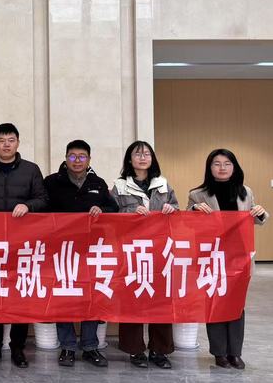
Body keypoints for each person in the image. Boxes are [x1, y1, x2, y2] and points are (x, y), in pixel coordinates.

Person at [0, 123, 48, 368]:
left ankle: (17, 348)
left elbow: (43, 199)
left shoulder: (31, 170)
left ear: (18, 143)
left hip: (22, 244)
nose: (6, 144)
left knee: (20, 295)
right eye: (1, 140)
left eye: (11, 140)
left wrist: (28, 206)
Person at [188, 148, 268, 370]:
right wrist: (194, 209)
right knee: (214, 303)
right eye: (217, 163)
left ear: (234, 167)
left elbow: (257, 219)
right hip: (212, 256)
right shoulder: (198, 194)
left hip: (239, 257)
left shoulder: (245, 191)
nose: (222, 168)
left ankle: (235, 352)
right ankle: (219, 352)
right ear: (210, 167)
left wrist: (260, 212)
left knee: (236, 304)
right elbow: (186, 220)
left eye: (227, 163)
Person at [44, 139, 117, 368]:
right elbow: (42, 209)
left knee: (91, 297)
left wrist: (101, 209)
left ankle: (90, 347)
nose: (77, 161)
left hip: (90, 250)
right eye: (73, 156)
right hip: (61, 250)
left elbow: (114, 208)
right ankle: (67, 347)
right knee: (63, 297)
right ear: (66, 158)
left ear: (89, 159)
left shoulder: (98, 183)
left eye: (82, 156)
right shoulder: (52, 182)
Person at [111, 141, 179, 369]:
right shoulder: (120, 186)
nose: (142, 157)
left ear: (152, 158)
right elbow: (111, 215)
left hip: (160, 250)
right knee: (133, 299)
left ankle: (160, 350)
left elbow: (177, 210)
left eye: (147, 154)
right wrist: (130, 211)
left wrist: (171, 209)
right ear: (129, 159)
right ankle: (135, 350)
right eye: (137, 154)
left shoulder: (163, 184)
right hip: (132, 250)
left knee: (161, 300)